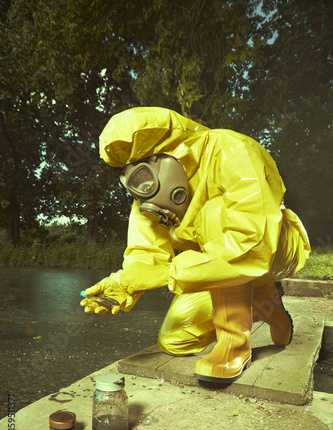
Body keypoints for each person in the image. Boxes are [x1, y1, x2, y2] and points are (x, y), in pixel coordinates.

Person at [80, 107, 310, 383]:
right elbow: (147, 252)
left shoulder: (232, 150)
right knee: (175, 339)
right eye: (131, 181)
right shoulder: (147, 197)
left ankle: (233, 346)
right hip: (224, 272)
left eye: (143, 175)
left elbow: (251, 239)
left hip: (277, 250)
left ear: (166, 156)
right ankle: (266, 304)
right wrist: (126, 283)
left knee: (214, 214)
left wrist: (169, 273)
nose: (141, 191)